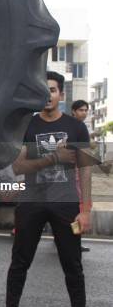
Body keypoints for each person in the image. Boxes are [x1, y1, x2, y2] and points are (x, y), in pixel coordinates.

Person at [0, 72, 93, 307]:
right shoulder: (28, 126)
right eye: (43, 90)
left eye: (53, 90)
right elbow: (17, 165)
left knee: (73, 266)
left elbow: (85, 170)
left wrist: (86, 210)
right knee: (19, 263)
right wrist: (53, 157)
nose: (48, 95)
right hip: (31, 202)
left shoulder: (76, 127)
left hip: (65, 203)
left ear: (61, 94)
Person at [71, 100, 92, 253]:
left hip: (78, 173)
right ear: (73, 111)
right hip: (72, 173)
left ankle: (71, 240)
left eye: (86, 110)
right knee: (77, 208)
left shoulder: (81, 127)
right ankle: (73, 242)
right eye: (81, 110)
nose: (84, 113)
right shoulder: (72, 127)